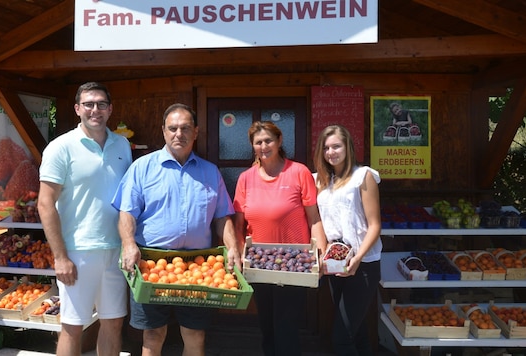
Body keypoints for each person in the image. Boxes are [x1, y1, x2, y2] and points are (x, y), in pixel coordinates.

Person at [112, 103, 241, 356]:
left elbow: (222, 217)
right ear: (163, 131)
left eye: (184, 128)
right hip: (151, 263)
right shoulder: (143, 168)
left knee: (195, 333)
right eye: (172, 128)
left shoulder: (210, 172)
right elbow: (126, 213)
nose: (178, 134)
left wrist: (233, 247)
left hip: (199, 266)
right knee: (152, 334)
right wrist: (128, 245)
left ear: (196, 132)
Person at [37, 82, 132, 356]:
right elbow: (45, 204)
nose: (95, 110)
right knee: (73, 325)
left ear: (110, 109)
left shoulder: (122, 145)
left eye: (101, 104)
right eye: (88, 104)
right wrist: (60, 257)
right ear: (77, 109)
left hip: (115, 250)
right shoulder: (61, 147)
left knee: (113, 322)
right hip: (77, 252)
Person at [233, 121, 322, 356]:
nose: (264, 146)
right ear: (253, 146)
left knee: (287, 326)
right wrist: (240, 256)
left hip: (295, 263)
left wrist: (318, 256)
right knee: (267, 325)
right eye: (258, 142)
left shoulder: (298, 172)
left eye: (268, 140)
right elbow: (239, 224)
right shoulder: (245, 179)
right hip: (259, 263)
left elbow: (314, 218)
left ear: (280, 141)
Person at [313, 125, 382, 356]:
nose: (331, 152)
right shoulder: (322, 181)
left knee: (341, 338)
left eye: (336, 146)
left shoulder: (363, 176)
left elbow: (375, 225)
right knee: (358, 331)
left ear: (348, 147)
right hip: (336, 263)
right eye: (326, 148)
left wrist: (358, 257)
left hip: (362, 265)